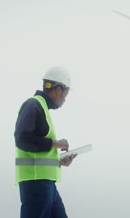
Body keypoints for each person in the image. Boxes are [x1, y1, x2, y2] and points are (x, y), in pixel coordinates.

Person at [14, 66, 77, 218]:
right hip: (36, 184)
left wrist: (59, 161)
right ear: (58, 90)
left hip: (47, 184)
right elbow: (21, 139)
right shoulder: (33, 104)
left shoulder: (41, 108)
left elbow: (39, 152)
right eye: (65, 95)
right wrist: (55, 143)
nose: (64, 100)